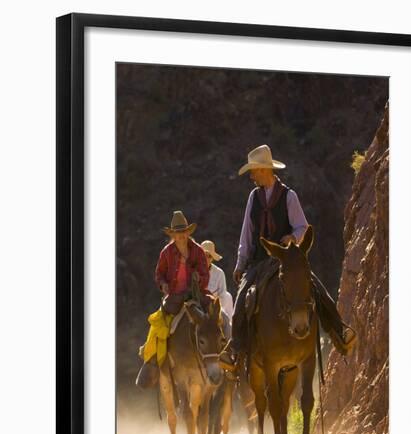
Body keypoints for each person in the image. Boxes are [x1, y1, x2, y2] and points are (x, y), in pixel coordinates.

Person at [220, 144, 356, 365]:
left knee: (314, 287)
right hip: (259, 260)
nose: (252, 176)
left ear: (264, 170)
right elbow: (247, 233)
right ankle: (236, 348)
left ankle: (339, 331)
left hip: (286, 258)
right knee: (242, 297)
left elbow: (302, 227)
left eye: (254, 171)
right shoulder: (253, 198)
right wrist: (240, 264)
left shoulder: (289, 196)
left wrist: (293, 238)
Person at [136, 210, 211, 388]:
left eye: (183, 232)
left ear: (188, 232)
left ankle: (225, 353)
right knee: (158, 326)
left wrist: (198, 279)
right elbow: (159, 274)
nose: (181, 236)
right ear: (173, 235)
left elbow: (205, 273)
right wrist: (163, 285)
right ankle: (151, 362)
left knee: (216, 316)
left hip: (197, 294)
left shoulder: (198, 251)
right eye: (177, 233)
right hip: (175, 297)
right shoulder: (167, 252)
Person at [201, 240, 234, 321]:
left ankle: (229, 331)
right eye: (204, 255)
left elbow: (222, 295)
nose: (206, 258)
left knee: (228, 296)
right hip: (198, 307)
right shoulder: (194, 271)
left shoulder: (219, 273)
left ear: (212, 258)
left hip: (215, 309)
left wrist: (215, 310)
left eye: (209, 256)